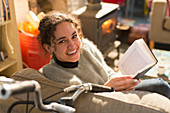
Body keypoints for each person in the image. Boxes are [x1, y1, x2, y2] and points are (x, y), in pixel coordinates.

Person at [37, 11, 170, 99]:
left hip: (115, 91)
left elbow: (107, 71)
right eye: (62, 41)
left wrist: (123, 81)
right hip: (106, 101)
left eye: (74, 36)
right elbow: (83, 103)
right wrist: (108, 89)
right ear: (48, 47)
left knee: (159, 84)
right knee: (159, 85)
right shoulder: (52, 73)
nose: (72, 45)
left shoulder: (85, 47)